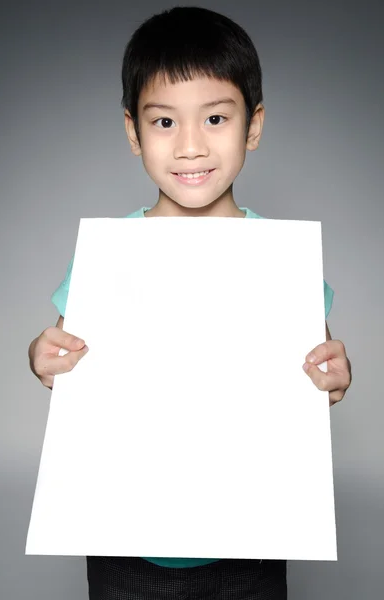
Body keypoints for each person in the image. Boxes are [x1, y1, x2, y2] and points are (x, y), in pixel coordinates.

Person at [28, 6, 352, 600]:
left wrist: (331, 377)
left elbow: (317, 370)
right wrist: (42, 357)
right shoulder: (109, 255)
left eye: (216, 117)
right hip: (125, 534)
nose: (192, 145)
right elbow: (62, 356)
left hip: (249, 535)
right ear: (133, 133)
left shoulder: (281, 262)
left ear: (252, 128)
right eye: (165, 123)